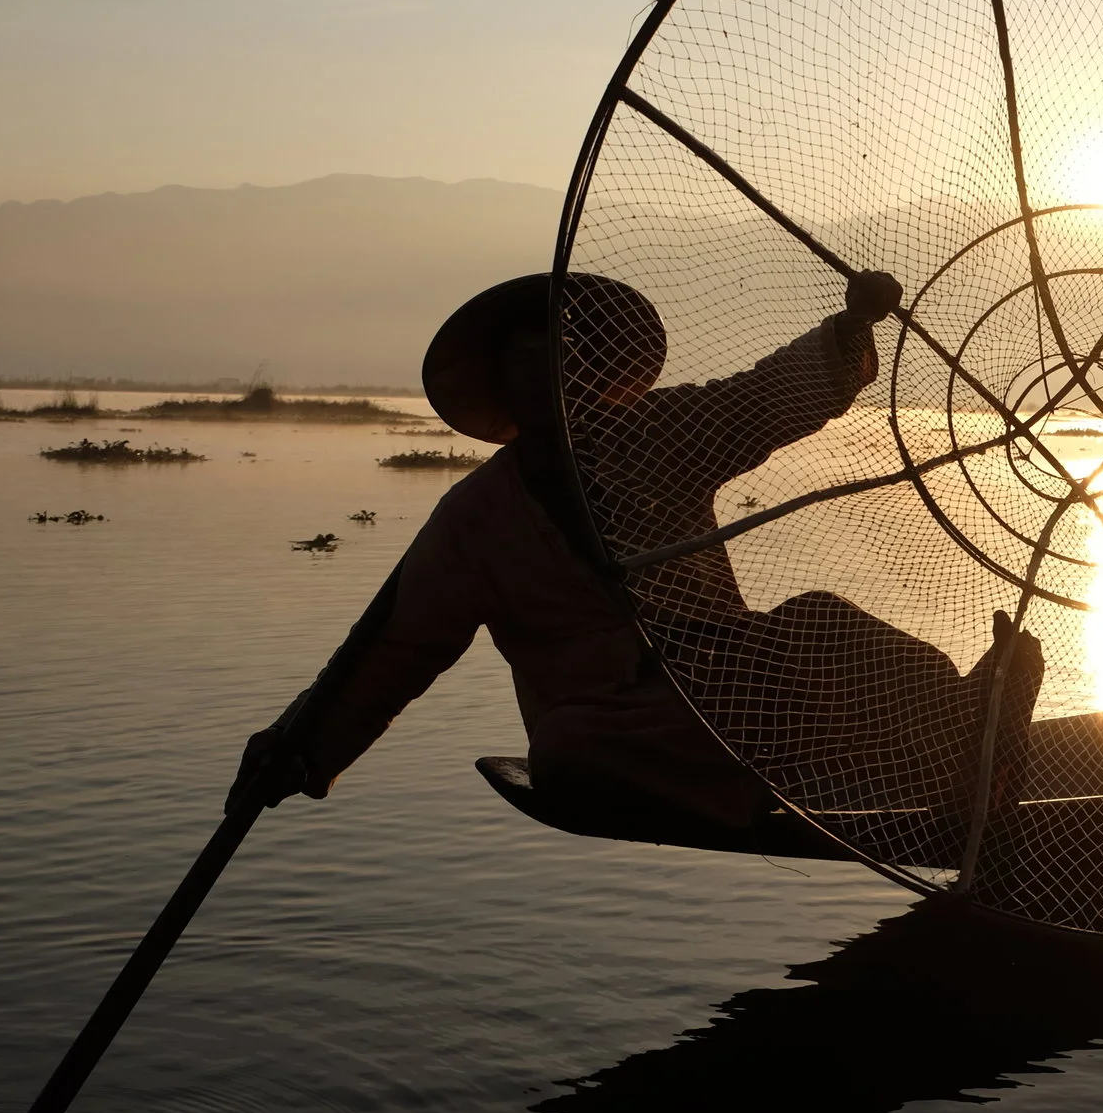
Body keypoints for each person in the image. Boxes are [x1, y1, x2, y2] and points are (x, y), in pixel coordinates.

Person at [238, 269, 1041, 841]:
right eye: (531, 364)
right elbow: (391, 649)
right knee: (569, 751)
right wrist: (299, 745)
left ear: (595, 371)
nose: (555, 376)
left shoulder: (658, 434)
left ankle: (971, 727)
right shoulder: (473, 521)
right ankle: (812, 771)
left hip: (741, 678)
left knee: (824, 626)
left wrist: (848, 332)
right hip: (625, 722)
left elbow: (761, 399)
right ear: (506, 392)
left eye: (570, 358)